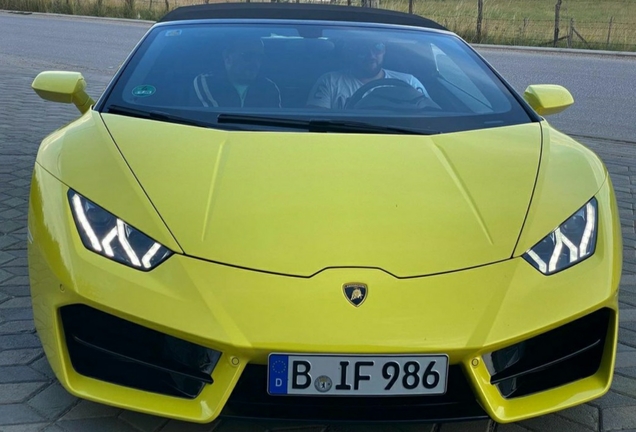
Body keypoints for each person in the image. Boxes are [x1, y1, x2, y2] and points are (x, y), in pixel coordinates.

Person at [306, 39, 428, 110]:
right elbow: (316, 126)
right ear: (352, 52)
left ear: (384, 51)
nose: (371, 55)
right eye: (362, 49)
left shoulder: (409, 82)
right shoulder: (330, 82)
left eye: (377, 48)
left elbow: (429, 114)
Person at [193, 37, 281, 108]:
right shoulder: (207, 82)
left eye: (259, 57)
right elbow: (217, 119)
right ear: (227, 58)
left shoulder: (269, 88)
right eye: (248, 56)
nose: (255, 63)